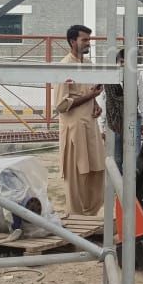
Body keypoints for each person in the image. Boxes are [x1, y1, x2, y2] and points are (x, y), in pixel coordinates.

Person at [54, 24, 105, 216]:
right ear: (72, 41)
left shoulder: (88, 64)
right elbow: (61, 104)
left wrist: (95, 103)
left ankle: (90, 214)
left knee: (97, 171)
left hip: (90, 127)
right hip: (74, 129)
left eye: (89, 40)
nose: (88, 43)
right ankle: (75, 217)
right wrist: (89, 96)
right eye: (84, 40)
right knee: (76, 175)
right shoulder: (65, 66)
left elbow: (89, 93)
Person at [100, 49, 143, 172]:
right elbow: (105, 102)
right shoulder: (110, 79)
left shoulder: (136, 75)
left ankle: (134, 187)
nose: (123, 65)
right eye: (121, 61)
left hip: (133, 118)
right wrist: (102, 127)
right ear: (117, 62)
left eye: (127, 62)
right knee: (117, 157)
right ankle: (119, 188)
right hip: (115, 121)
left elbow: (141, 99)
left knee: (135, 155)